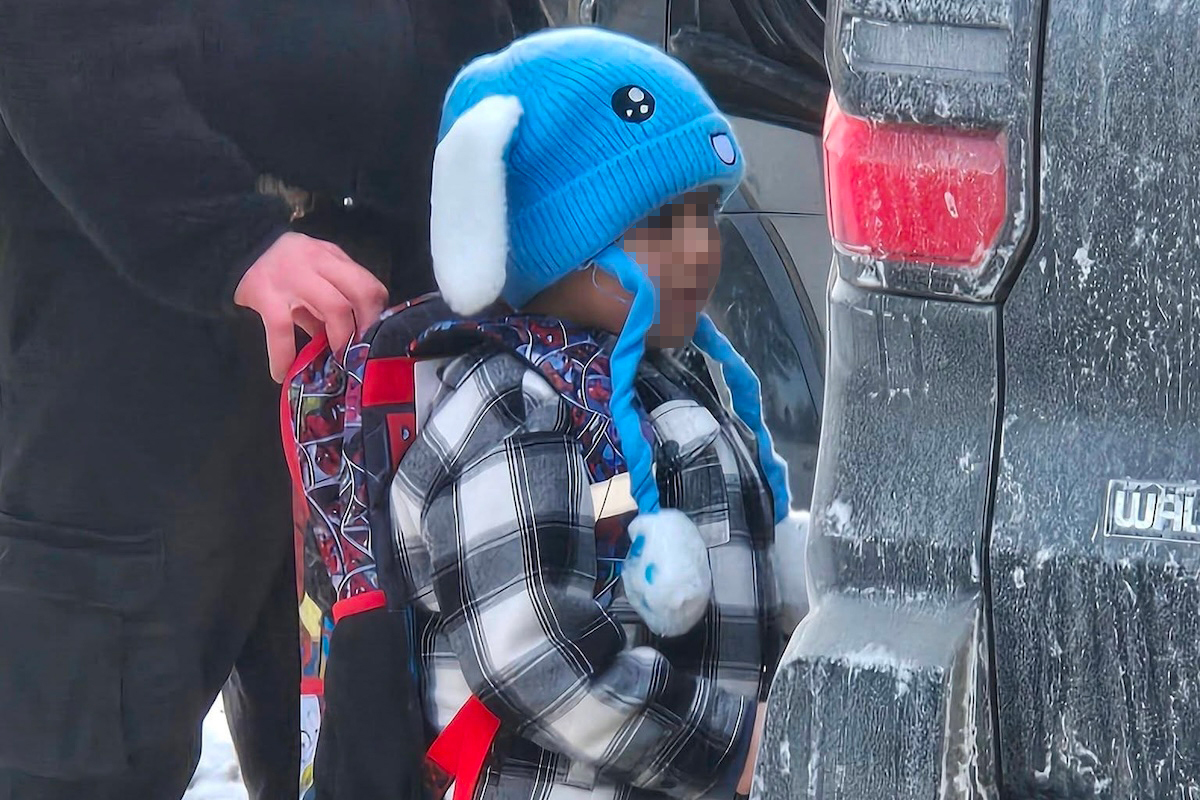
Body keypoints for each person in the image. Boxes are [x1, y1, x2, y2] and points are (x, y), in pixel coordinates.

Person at [0, 2, 537, 798]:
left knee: (375, 742)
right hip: (130, 352)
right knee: (84, 751)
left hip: (389, 347)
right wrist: (225, 237)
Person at [387, 27, 792, 798]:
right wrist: (733, 748)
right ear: (558, 244)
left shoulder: (668, 381)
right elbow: (531, 652)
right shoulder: (512, 405)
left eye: (706, 213)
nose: (701, 250)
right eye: (660, 224)